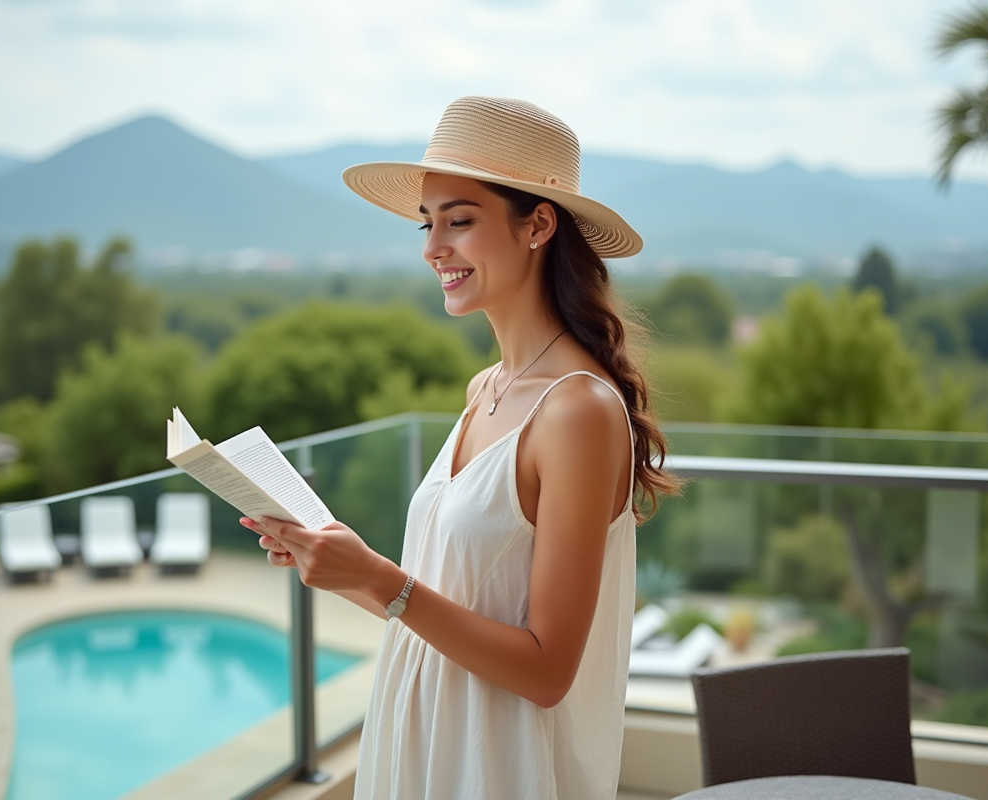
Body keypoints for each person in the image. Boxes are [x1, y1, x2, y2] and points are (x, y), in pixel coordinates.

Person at [241, 96, 680, 800]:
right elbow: (447, 606)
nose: (432, 246)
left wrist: (381, 578)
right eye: (428, 222)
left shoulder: (578, 411)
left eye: (460, 220)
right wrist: (338, 567)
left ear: (537, 224)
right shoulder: (487, 388)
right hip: (422, 745)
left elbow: (546, 671)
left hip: (498, 771)